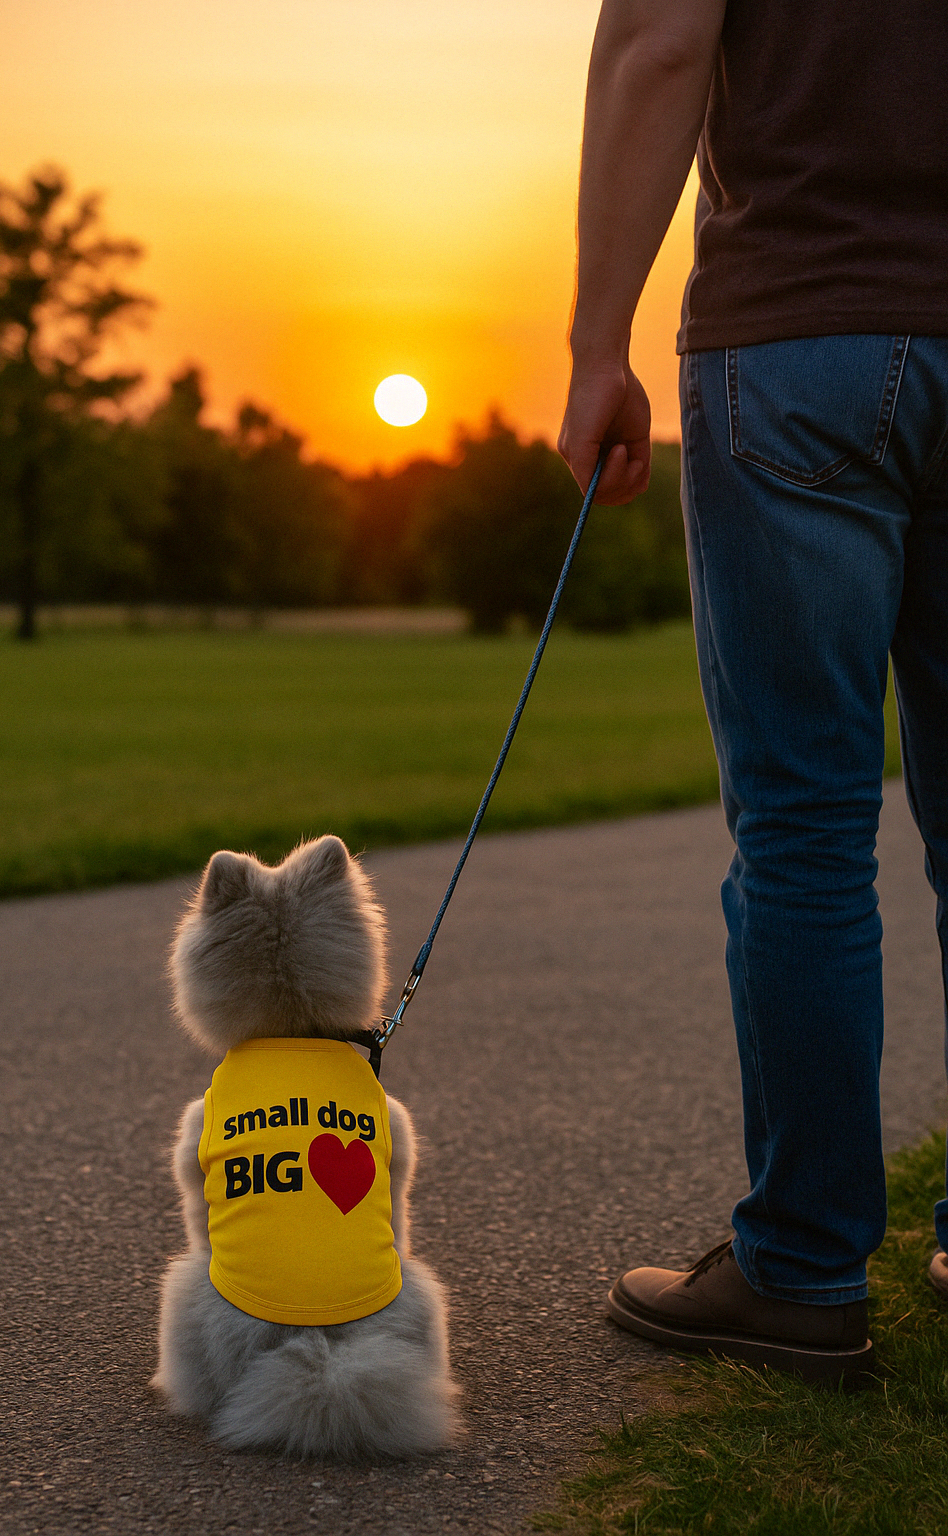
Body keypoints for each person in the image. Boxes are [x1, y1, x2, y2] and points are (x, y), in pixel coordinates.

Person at [558, 0, 948, 1384]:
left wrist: (597, 344)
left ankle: (801, 1268)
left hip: (797, 344)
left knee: (802, 835)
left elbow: (663, 37)